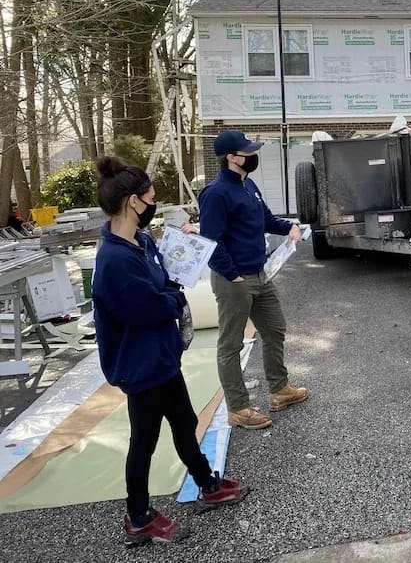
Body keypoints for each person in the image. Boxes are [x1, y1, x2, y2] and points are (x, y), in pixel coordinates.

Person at [91, 156, 246, 546]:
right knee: (143, 439)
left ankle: (206, 483)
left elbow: (163, 282)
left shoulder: (140, 242)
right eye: (150, 199)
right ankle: (139, 516)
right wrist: (173, 297)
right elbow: (151, 307)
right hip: (139, 364)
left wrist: (171, 285)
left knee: (183, 420)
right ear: (132, 202)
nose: (153, 206)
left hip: (161, 356)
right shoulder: (114, 261)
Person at [199, 131, 307, 430]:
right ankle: (239, 408)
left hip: (261, 274)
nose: (253, 155)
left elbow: (267, 220)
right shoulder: (216, 193)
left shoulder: (248, 185)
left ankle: (279, 390)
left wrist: (291, 227)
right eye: (247, 151)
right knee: (231, 344)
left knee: (275, 329)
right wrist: (232, 274)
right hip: (234, 280)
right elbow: (211, 240)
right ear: (231, 157)